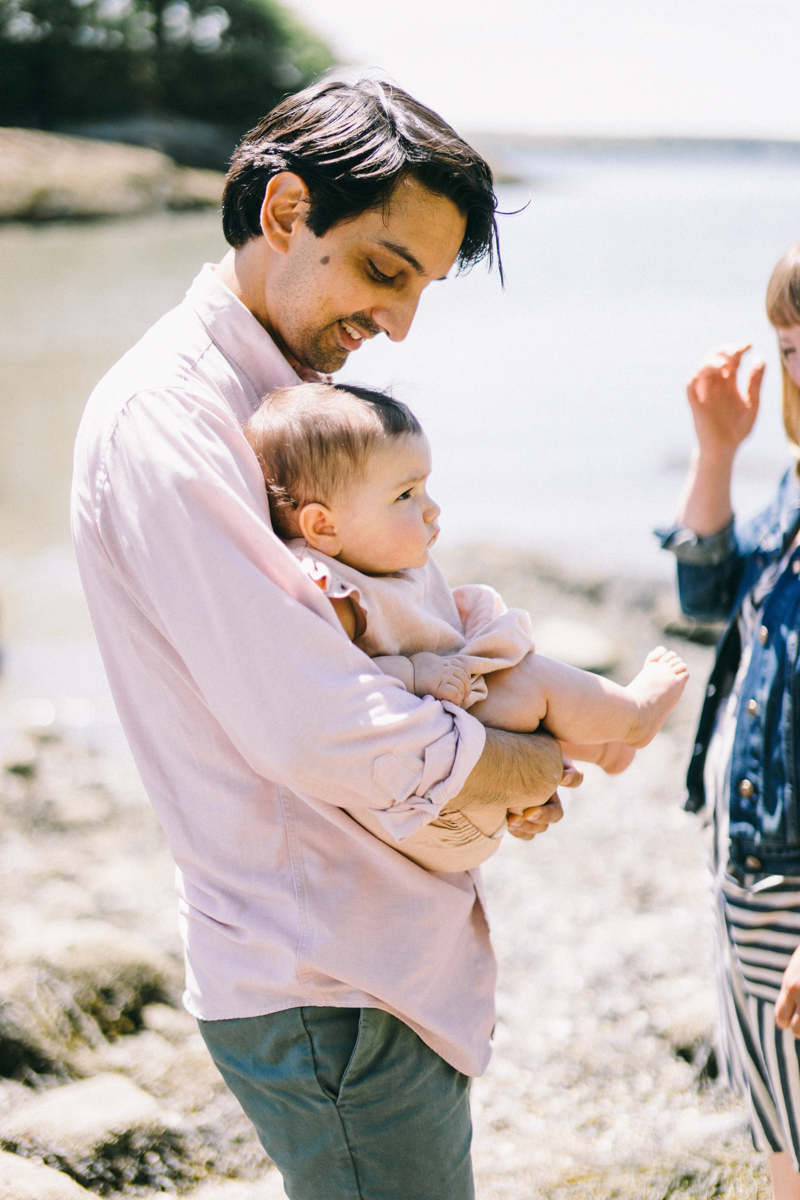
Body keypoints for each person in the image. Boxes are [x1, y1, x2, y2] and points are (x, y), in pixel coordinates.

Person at [71, 77, 576, 1200]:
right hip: (325, 975)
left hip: (363, 957)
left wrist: (491, 777)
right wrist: (523, 765)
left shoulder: (284, 402)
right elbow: (314, 722)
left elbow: (367, 656)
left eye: (421, 290)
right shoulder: (173, 419)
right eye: (386, 271)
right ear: (286, 211)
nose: (397, 323)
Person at [245, 381, 689, 872]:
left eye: (426, 486)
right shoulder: (335, 590)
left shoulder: (379, 564)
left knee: (504, 665)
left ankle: (603, 745)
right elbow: (339, 688)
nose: (431, 507)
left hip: (459, 792)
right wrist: (417, 674)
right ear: (324, 527)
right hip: (430, 815)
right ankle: (633, 715)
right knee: (524, 679)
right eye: (406, 494)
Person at [660, 241, 800, 1200]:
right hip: (749, 865)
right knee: (781, 1135)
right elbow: (706, 585)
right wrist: (717, 453)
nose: (799, 369)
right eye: (788, 346)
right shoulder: (797, 488)